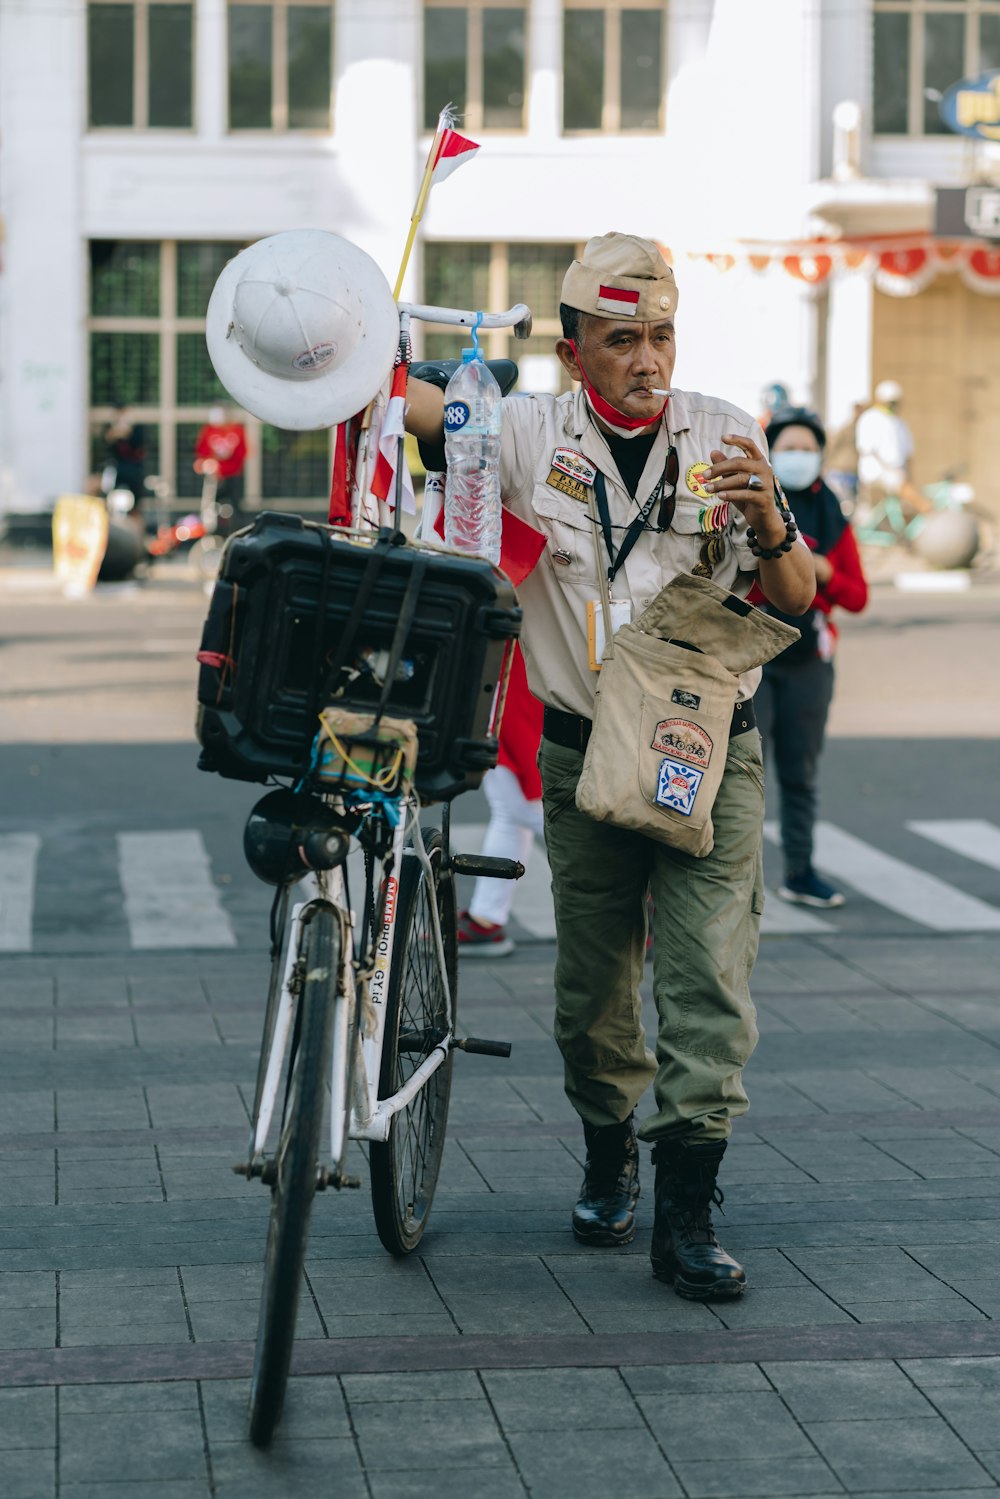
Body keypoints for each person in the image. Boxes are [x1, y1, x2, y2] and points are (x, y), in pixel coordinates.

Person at [405, 233, 814, 1301]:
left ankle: (686, 1209)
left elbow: (798, 596)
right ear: (573, 347)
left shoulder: (725, 430)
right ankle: (607, 1145)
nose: (647, 358)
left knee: (709, 979)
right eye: (622, 338)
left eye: (661, 335)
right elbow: (406, 407)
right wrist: (337, 344)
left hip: (704, 751)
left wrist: (769, 518)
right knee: (593, 992)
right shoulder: (525, 431)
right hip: (584, 753)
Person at [753, 407, 868, 909]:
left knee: (800, 776)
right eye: (788, 448)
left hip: (808, 667)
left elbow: (859, 596)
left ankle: (800, 872)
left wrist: (823, 571)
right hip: (749, 660)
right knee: (740, 776)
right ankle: (725, 879)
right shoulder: (751, 504)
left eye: (807, 449)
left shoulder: (831, 517)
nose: (798, 457)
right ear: (769, 454)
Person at [457, 643, 544, 958]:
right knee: (511, 809)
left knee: (522, 807)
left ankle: (634, 891)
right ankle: (486, 918)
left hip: (512, 665)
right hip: (513, 664)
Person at [855, 380, 925, 516]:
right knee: (912, 498)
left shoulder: (899, 423)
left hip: (897, 473)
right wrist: (892, 471)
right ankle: (928, 510)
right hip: (877, 472)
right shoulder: (870, 418)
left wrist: (908, 477)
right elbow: (867, 448)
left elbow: (908, 454)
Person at [194, 404, 248, 511]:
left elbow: (242, 452)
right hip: (214, 476)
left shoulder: (237, 430)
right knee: (211, 506)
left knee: (235, 505)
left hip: (233, 475)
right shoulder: (208, 430)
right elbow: (201, 452)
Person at [103, 403, 147, 506]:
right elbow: (108, 442)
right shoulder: (110, 428)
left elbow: (139, 447)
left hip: (133, 470)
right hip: (116, 469)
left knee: (135, 502)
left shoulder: (137, 429)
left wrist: (125, 432)